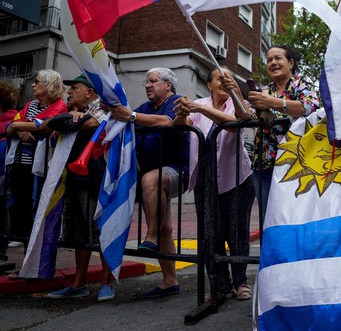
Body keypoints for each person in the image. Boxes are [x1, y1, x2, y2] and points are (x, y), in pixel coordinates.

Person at [174, 67, 255, 300]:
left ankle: (240, 282)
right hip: (205, 181)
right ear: (209, 85)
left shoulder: (235, 103)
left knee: (237, 232)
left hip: (236, 179)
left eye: (228, 77)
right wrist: (181, 114)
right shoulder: (199, 103)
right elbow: (182, 124)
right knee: (211, 233)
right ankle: (220, 285)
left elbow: (240, 119)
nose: (224, 81)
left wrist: (204, 107)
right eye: (219, 78)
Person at [110, 68, 189, 298]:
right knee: (165, 226)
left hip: (177, 172)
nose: (147, 85)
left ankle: (150, 236)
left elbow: (167, 121)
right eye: (146, 82)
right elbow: (125, 119)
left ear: (168, 85)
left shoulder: (176, 101)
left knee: (150, 178)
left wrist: (130, 116)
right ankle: (170, 280)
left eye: (153, 81)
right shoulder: (144, 108)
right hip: (152, 179)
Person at [45, 75, 114, 301]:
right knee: (79, 230)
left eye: (75, 88)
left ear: (90, 92)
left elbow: (95, 123)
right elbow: (52, 123)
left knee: (101, 230)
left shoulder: (104, 109)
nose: (69, 92)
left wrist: (76, 119)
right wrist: (72, 118)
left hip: (98, 177)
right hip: (76, 178)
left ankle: (107, 282)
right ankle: (79, 283)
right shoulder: (74, 111)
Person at [247, 45, 319, 224]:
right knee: (268, 218)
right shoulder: (263, 90)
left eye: (278, 58)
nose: (273, 63)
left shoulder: (302, 86)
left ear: (291, 63)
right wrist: (233, 92)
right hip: (265, 164)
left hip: (296, 163)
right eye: (269, 60)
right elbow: (246, 115)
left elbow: (311, 107)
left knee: (295, 216)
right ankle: (272, 253)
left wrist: (272, 102)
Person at [4, 70, 67, 253]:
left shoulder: (60, 106)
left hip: (40, 167)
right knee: (19, 202)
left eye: (37, 82)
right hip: (19, 162)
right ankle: (21, 238)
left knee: (36, 204)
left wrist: (17, 125)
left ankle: (32, 248)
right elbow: (11, 126)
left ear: (49, 86)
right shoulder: (30, 105)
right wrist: (17, 129)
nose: (33, 84)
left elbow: (45, 125)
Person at [0, 80, 19, 263]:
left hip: (3, 169)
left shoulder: (12, 116)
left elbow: (12, 128)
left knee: (2, 206)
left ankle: (1, 249)